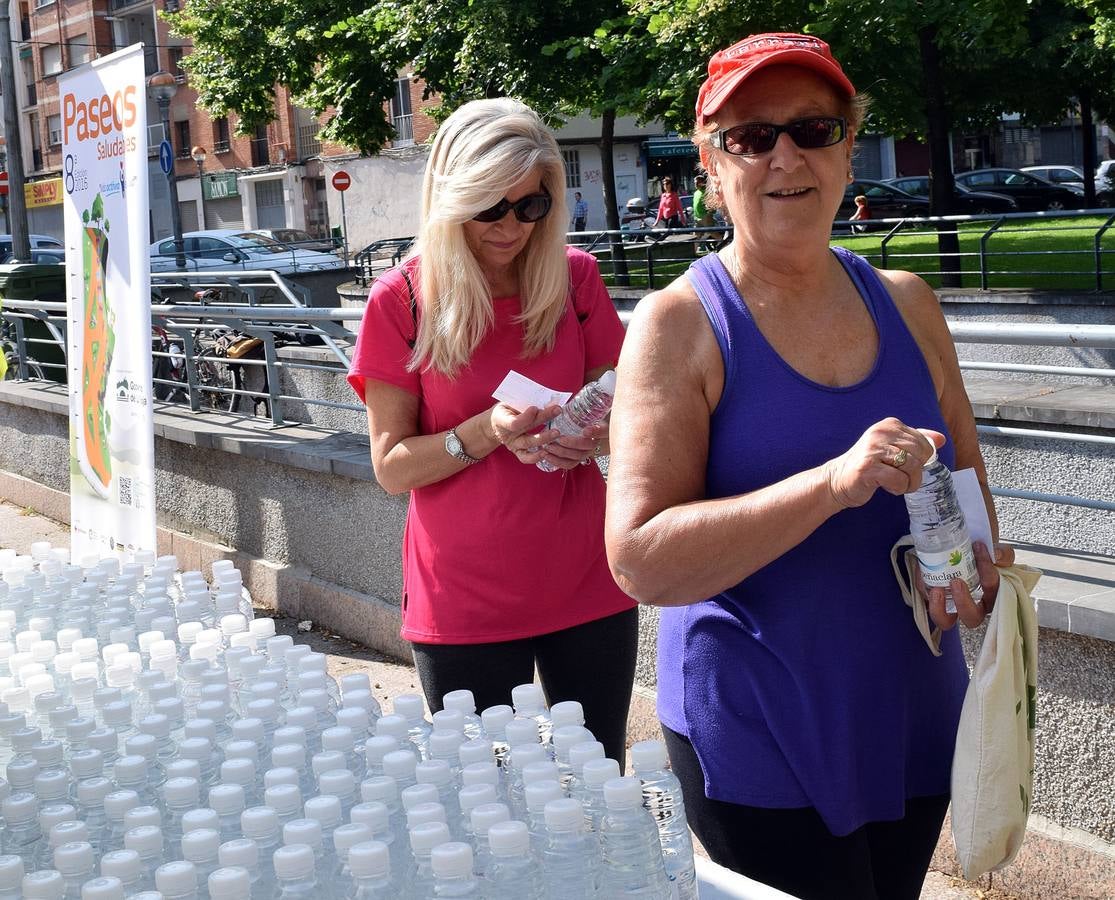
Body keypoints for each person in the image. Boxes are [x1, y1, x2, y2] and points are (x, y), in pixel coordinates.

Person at [605, 32, 1013, 900]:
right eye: (751, 136)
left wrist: (977, 568)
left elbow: (966, 485)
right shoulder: (678, 325)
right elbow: (638, 556)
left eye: (813, 130)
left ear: (847, 151)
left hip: (909, 711)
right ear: (710, 165)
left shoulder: (908, 302)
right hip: (757, 729)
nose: (785, 155)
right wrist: (831, 484)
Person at [347, 97, 637, 764]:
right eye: (489, 207)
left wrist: (589, 436)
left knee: (599, 781)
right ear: (451, 199)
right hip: (462, 596)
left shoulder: (573, 279)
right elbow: (391, 466)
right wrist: (484, 432)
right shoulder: (402, 299)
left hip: (587, 579)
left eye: (530, 206)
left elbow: (633, 415)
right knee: (484, 800)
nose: (510, 227)